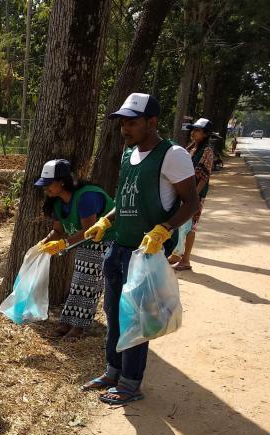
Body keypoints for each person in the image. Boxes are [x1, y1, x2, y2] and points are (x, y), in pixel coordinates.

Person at [82, 93, 200, 406]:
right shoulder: (129, 154)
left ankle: (131, 384)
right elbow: (124, 201)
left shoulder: (171, 155)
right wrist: (106, 223)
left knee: (136, 319)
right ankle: (113, 371)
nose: (125, 128)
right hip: (119, 249)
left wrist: (165, 229)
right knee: (113, 315)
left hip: (145, 255)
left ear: (152, 122)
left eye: (132, 122)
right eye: (122, 123)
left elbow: (191, 202)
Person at [35, 159, 115, 340]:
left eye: (48, 184)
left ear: (61, 182)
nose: (45, 189)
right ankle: (67, 321)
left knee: (88, 284)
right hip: (84, 244)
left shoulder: (86, 197)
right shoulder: (56, 202)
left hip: (104, 241)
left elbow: (89, 231)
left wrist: (63, 244)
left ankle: (79, 327)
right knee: (78, 283)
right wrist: (44, 243)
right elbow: (58, 230)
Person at [168, 117, 216, 271]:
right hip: (185, 194)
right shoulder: (191, 148)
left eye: (197, 130)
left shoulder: (207, 151)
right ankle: (177, 254)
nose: (193, 133)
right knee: (181, 224)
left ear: (206, 134)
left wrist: (193, 198)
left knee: (189, 226)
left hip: (194, 196)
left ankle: (185, 260)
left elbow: (203, 176)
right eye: (193, 130)